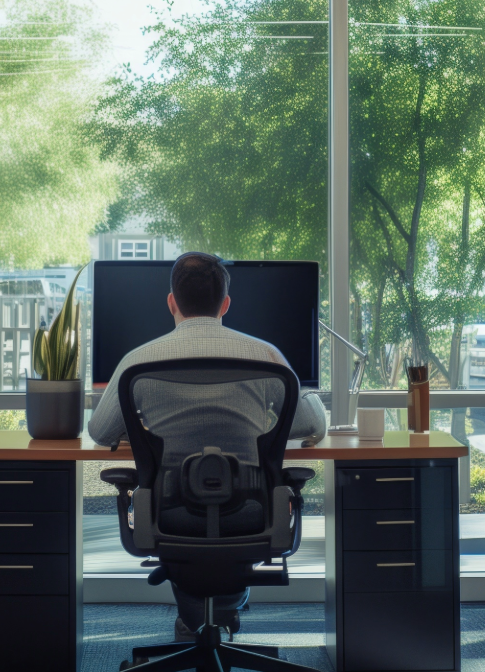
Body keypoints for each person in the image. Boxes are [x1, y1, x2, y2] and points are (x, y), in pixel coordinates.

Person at [87, 251, 325, 639]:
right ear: (226, 304)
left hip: (171, 516)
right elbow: (311, 423)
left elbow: (100, 432)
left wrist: (139, 429)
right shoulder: (265, 356)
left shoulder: (138, 361)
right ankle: (221, 614)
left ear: (171, 302)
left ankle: (195, 619)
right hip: (248, 514)